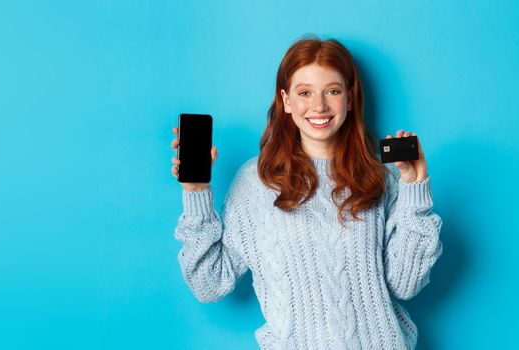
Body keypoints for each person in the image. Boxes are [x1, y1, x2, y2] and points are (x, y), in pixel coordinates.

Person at [168, 36, 442, 350]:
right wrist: (196, 192)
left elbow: (405, 284)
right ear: (285, 101)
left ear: (349, 99)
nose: (319, 106)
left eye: (333, 91)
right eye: (305, 92)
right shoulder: (256, 182)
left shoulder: (380, 176)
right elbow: (209, 283)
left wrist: (414, 188)